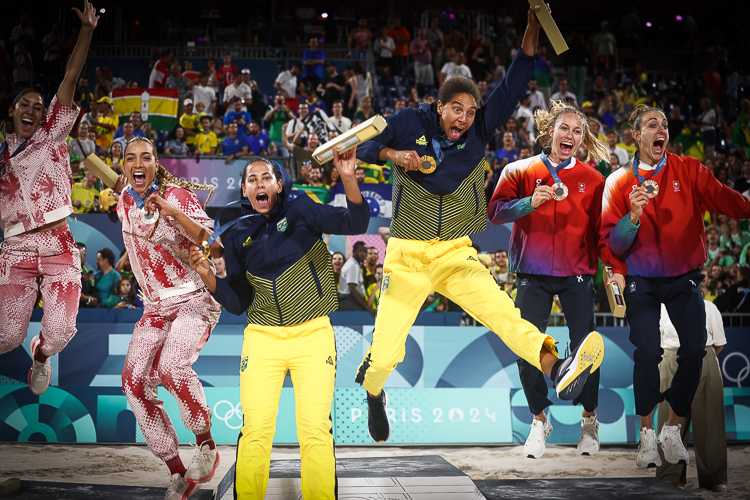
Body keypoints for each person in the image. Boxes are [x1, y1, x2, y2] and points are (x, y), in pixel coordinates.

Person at [353, 6, 605, 444]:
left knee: (504, 314)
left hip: (455, 252)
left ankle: (557, 367)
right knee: (385, 354)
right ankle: (375, 393)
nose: (464, 118)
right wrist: (396, 156)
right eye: (456, 110)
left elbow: (516, 79)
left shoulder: (478, 131)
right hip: (408, 256)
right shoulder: (409, 121)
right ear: (440, 106)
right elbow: (363, 145)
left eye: (470, 111)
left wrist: (529, 27)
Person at [188, 149, 369, 499]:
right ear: (244, 190)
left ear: (279, 183)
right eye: (251, 179)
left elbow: (356, 223)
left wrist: (348, 177)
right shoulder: (238, 232)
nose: (259, 184)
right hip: (262, 337)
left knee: (315, 430)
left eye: (266, 177)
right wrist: (208, 276)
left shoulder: (302, 208)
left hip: (313, 334)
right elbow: (239, 303)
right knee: (255, 431)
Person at [600, 104, 750, 470]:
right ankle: (647, 435)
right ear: (637, 135)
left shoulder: (690, 169)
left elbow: (728, 201)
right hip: (640, 280)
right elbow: (609, 244)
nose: (661, 129)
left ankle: (672, 427)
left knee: (696, 349)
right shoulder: (618, 182)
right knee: (648, 351)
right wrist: (632, 219)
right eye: (652, 124)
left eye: (665, 124)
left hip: (683, 277)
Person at [489, 100, 626, 458]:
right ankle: (539, 421)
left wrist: (614, 270)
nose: (570, 135)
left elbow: (602, 233)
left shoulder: (595, 179)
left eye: (577, 131)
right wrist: (529, 203)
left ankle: (590, 420)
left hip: (577, 275)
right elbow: (495, 212)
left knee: (587, 352)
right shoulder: (519, 170)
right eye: (564, 128)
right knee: (526, 348)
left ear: (582, 139)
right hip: (531, 274)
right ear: (550, 131)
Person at [0, 0, 97, 396]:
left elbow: (71, 76)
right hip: (16, 248)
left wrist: (87, 30)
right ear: (11, 110)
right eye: (25, 104)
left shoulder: (54, 132)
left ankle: (42, 356)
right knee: (5, 338)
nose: (33, 109)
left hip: (58, 243)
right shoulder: (1, 151)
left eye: (38, 107)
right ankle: (25, 347)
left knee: (59, 333)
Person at [118, 137, 221, 499]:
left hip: (193, 298)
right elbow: (138, 235)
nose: (137, 163)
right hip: (154, 307)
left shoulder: (176, 196)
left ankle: (206, 445)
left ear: (156, 162)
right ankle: (177, 471)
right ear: (124, 166)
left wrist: (172, 212)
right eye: (130, 158)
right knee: (132, 383)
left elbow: (213, 243)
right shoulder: (124, 201)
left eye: (145, 157)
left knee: (172, 368)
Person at [656, 290, 727, 492]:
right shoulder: (661, 310)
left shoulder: (710, 308)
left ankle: (714, 479)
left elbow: (718, 344)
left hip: (704, 359)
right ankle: (669, 477)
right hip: (670, 360)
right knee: (669, 423)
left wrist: (701, 360)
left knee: (710, 421)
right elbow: (657, 341)